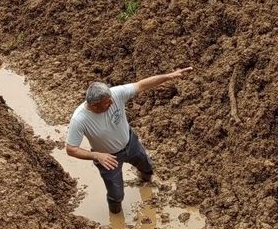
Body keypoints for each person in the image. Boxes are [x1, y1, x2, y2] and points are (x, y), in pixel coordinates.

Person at [65, 68, 193, 213]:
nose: (112, 102)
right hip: (108, 158)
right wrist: (96, 155)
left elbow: (141, 85)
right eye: (107, 103)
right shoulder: (79, 119)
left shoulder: (115, 94)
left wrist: (169, 76)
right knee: (116, 194)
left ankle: (146, 183)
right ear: (94, 105)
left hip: (130, 143)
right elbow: (71, 149)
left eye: (111, 99)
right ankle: (116, 217)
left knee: (147, 167)